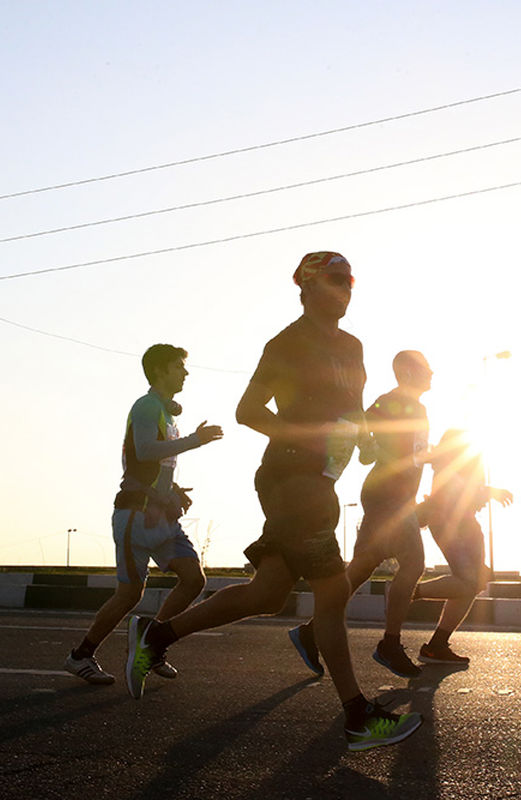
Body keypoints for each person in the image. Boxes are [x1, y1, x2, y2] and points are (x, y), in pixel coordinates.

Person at [124, 251, 422, 753]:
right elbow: (248, 410)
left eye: (348, 282)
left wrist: (365, 439)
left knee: (266, 595)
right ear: (305, 288)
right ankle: (356, 716)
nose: (343, 290)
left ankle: (154, 637)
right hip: (291, 478)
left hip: (322, 481)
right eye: (332, 281)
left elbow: (352, 414)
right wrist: (308, 436)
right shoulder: (287, 344)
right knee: (331, 591)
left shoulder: (353, 347)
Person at [64, 344, 223, 685]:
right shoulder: (147, 406)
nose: (186, 373)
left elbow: (156, 465)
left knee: (193, 579)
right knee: (129, 595)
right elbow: (145, 450)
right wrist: (196, 440)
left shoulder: (167, 413)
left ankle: (152, 642)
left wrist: (173, 491)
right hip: (135, 514)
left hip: (160, 516)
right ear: (161, 369)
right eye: (180, 366)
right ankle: (81, 655)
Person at [289, 350, 434, 679]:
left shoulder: (418, 408)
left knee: (358, 572)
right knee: (413, 564)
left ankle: (310, 633)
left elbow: (409, 452)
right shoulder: (390, 402)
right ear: (408, 373)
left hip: (396, 495)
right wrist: (370, 447)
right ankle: (390, 644)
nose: (432, 373)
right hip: (388, 495)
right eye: (426, 368)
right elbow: (358, 428)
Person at [413, 429, 513, 665]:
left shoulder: (470, 462)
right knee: (468, 580)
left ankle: (437, 645)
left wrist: (484, 492)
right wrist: (489, 491)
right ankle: (406, 592)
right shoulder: (446, 464)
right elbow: (452, 492)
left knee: (474, 582)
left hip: (465, 523)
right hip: (449, 522)